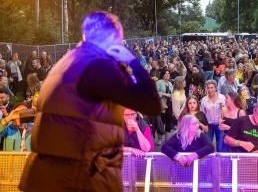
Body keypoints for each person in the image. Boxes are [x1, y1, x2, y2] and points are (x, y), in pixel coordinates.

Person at [19, 11, 161, 192]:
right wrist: (132, 62)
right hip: (81, 178)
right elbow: (151, 103)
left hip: (47, 177)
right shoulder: (99, 66)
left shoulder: (64, 63)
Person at [200, 80, 225, 152]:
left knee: (220, 147)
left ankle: (219, 162)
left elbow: (226, 111)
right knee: (207, 146)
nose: (210, 90)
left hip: (220, 125)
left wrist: (223, 119)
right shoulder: (204, 100)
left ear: (215, 88)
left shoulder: (222, 98)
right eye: (208, 88)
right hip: (209, 125)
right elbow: (202, 114)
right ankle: (208, 161)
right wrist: (204, 125)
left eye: (212, 87)